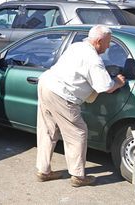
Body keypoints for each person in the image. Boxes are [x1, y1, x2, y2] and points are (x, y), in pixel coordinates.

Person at [36, 25, 126, 187]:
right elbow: (105, 86)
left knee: (47, 130)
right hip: (62, 93)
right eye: (107, 43)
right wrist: (118, 83)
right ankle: (78, 176)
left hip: (47, 83)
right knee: (77, 133)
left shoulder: (77, 46)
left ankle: (44, 171)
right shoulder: (93, 59)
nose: (108, 47)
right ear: (98, 41)